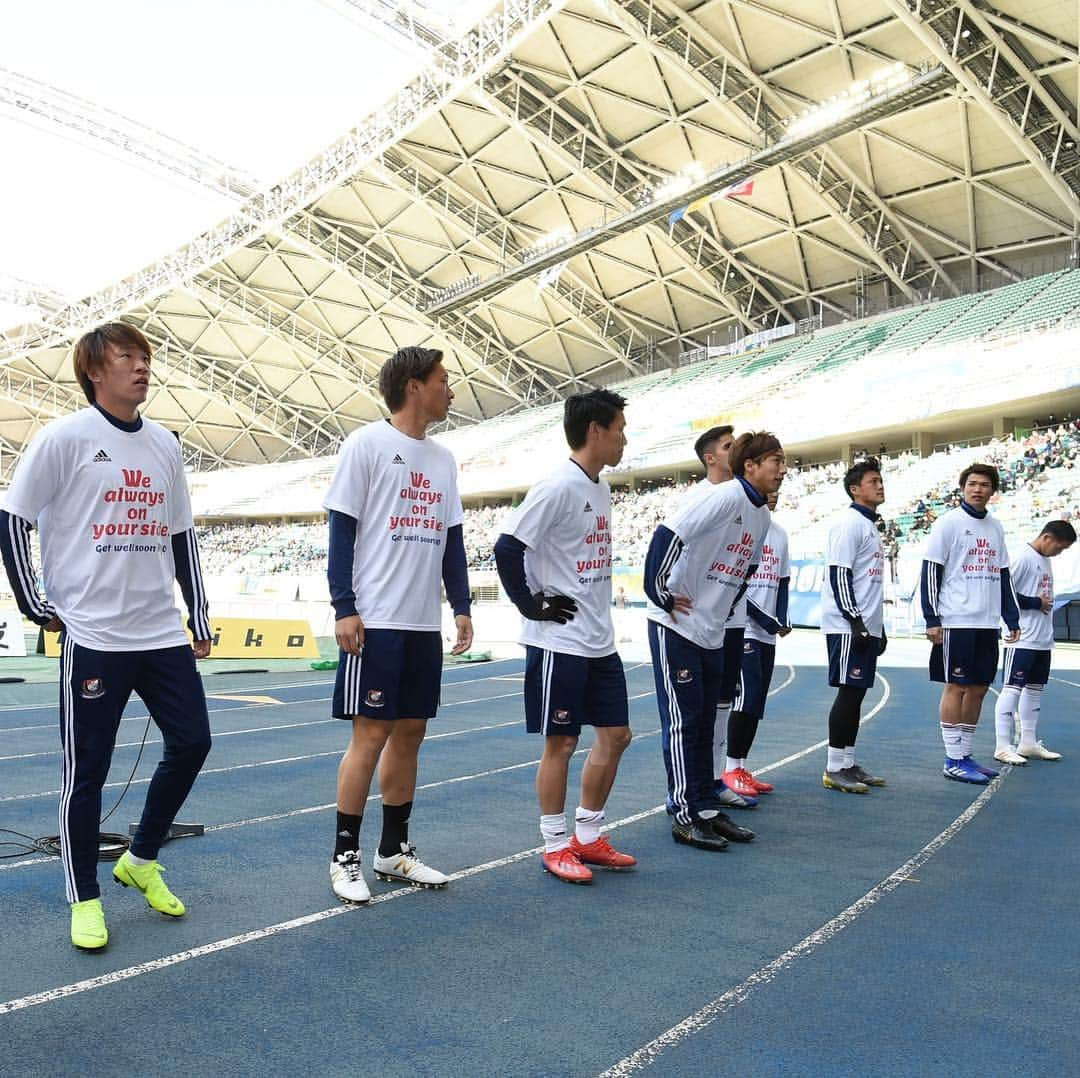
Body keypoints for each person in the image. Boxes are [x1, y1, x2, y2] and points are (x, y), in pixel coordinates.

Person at [0, 322, 212, 951]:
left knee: (193, 742)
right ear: (95, 371)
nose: (142, 367)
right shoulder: (64, 438)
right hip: (93, 635)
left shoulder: (165, 446)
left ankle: (140, 857)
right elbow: (13, 518)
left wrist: (197, 614)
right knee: (87, 772)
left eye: (146, 356)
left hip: (159, 633)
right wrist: (36, 602)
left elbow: (181, 537)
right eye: (127, 357)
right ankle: (84, 897)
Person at [324, 346, 473, 904]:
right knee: (370, 736)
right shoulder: (365, 444)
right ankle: (344, 858)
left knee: (411, 732)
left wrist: (460, 604)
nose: (450, 390)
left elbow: (451, 539)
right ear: (414, 386)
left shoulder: (443, 458)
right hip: (376, 619)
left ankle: (393, 851)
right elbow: (341, 531)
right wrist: (343, 605)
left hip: (420, 623)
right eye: (443, 380)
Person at [493, 389, 636, 884]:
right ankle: (555, 844)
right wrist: (531, 605)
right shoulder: (556, 486)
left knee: (616, 736)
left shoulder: (600, 486)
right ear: (595, 430)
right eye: (619, 427)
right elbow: (507, 548)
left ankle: (589, 835)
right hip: (560, 641)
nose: (624, 437)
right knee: (562, 742)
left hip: (600, 638)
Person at [643, 432, 786, 850]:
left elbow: (746, 570)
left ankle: (705, 807)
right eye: (774, 460)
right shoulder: (725, 497)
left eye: (783, 461)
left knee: (706, 722)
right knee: (685, 722)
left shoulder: (761, 517)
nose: (782, 469)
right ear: (750, 466)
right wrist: (660, 592)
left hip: (711, 629)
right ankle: (685, 813)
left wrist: (723, 609)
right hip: (677, 626)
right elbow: (669, 534)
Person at [920, 463, 1020, 784]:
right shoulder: (949, 523)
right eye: (972, 484)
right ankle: (952, 759)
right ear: (963, 488)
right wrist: (932, 618)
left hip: (987, 623)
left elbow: (1003, 574)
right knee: (957, 686)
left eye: (984, 485)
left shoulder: (996, 527)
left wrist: (1011, 616)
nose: (978, 489)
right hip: (956, 620)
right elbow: (931, 570)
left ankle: (965, 755)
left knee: (978, 689)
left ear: (993, 491)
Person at [691, 425, 761, 808]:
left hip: (732, 621)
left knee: (723, 702)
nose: (737, 452)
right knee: (698, 710)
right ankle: (693, 790)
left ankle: (716, 780)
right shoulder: (702, 499)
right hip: (698, 623)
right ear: (710, 458)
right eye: (728, 447)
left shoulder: (747, 503)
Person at [818, 458, 888, 793]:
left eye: (880, 480)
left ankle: (847, 761)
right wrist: (857, 622)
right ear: (855, 489)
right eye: (873, 480)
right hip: (848, 625)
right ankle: (834, 767)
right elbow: (839, 574)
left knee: (858, 694)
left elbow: (868, 581)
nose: (880, 485)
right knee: (849, 692)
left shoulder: (870, 525)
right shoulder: (849, 523)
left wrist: (878, 626)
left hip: (865, 624)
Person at [993, 520, 1076, 764]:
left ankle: (1027, 742)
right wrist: (1034, 603)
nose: (1059, 553)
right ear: (1047, 537)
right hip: (1022, 637)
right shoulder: (1022, 557)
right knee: (1012, 688)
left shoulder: (1045, 559)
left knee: (1035, 690)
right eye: (1060, 547)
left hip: (1041, 638)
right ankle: (1002, 745)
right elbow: (1002, 592)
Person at [724, 489, 791, 793]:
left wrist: (783, 618)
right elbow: (737, 582)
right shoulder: (742, 527)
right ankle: (729, 768)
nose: (774, 494)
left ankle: (741, 766)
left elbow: (784, 581)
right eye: (769, 489)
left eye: (778, 490)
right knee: (745, 697)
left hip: (767, 633)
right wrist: (765, 619)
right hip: (744, 629)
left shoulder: (779, 534)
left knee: (758, 701)